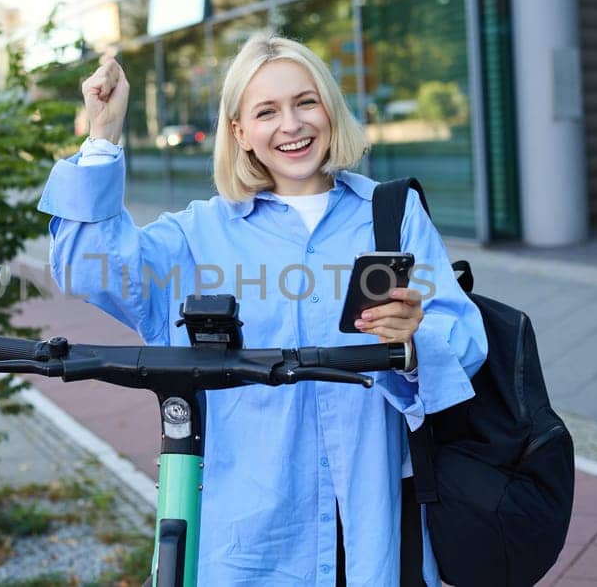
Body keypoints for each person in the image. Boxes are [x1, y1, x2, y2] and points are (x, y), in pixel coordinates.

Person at [37, 33, 489, 585]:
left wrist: (415, 342)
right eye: (267, 111)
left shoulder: (390, 212)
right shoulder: (200, 234)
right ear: (240, 132)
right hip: (250, 534)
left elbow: (462, 336)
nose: (292, 125)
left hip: (373, 525)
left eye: (306, 102)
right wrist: (102, 138)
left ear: (330, 108)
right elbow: (92, 267)